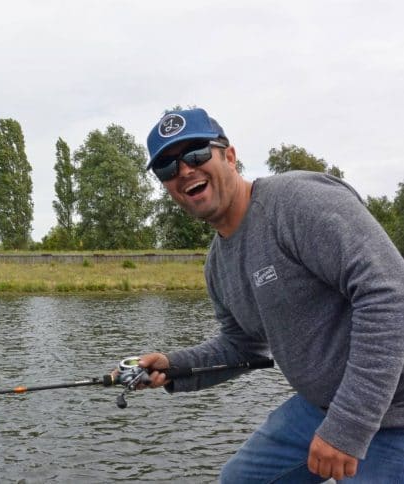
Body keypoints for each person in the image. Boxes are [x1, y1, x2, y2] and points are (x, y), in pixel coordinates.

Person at [139, 108, 404, 482]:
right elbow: (241, 347)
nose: (184, 170)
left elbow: (390, 294)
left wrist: (348, 426)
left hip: (394, 408)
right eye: (167, 167)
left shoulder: (297, 202)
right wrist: (174, 367)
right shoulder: (218, 265)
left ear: (229, 156)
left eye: (196, 153)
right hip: (323, 406)